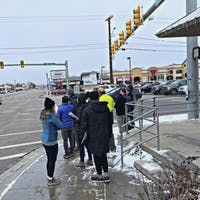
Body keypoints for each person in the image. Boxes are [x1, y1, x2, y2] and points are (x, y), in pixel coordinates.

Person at [80, 91, 110, 182]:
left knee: (96, 154)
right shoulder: (106, 107)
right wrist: (109, 134)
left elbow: (83, 125)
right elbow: (110, 121)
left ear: (89, 98)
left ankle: (99, 174)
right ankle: (106, 173)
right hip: (104, 134)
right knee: (103, 153)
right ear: (98, 97)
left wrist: (81, 136)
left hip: (93, 135)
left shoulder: (88, 110)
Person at [40, 97, 63, 186]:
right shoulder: (52, 116)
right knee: (52, 160)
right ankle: (50, 179)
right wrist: (56, 114)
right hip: (51, 141)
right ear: (51, 106)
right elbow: (61, 125)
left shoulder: (43, 114)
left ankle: (49, 176)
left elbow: (54, 126)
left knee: (49, 159)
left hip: (45, 140)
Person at [75, 92, 93, 168]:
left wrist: (75, 119)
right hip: (89, 129)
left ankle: (82, 161)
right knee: (88, 145)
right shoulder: (89, 106)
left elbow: (80, 120)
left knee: (81, 145)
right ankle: (90, 159)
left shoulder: (80, 108)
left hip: (82, 129)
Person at [98, 87, 116, 152]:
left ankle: (106, 147)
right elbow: (113, 106)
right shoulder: (110, 98)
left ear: (100, 93)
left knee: (104, 133)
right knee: (110, 132)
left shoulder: (100, 99)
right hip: (110, 116)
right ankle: (113, 147)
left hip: (103, 117)